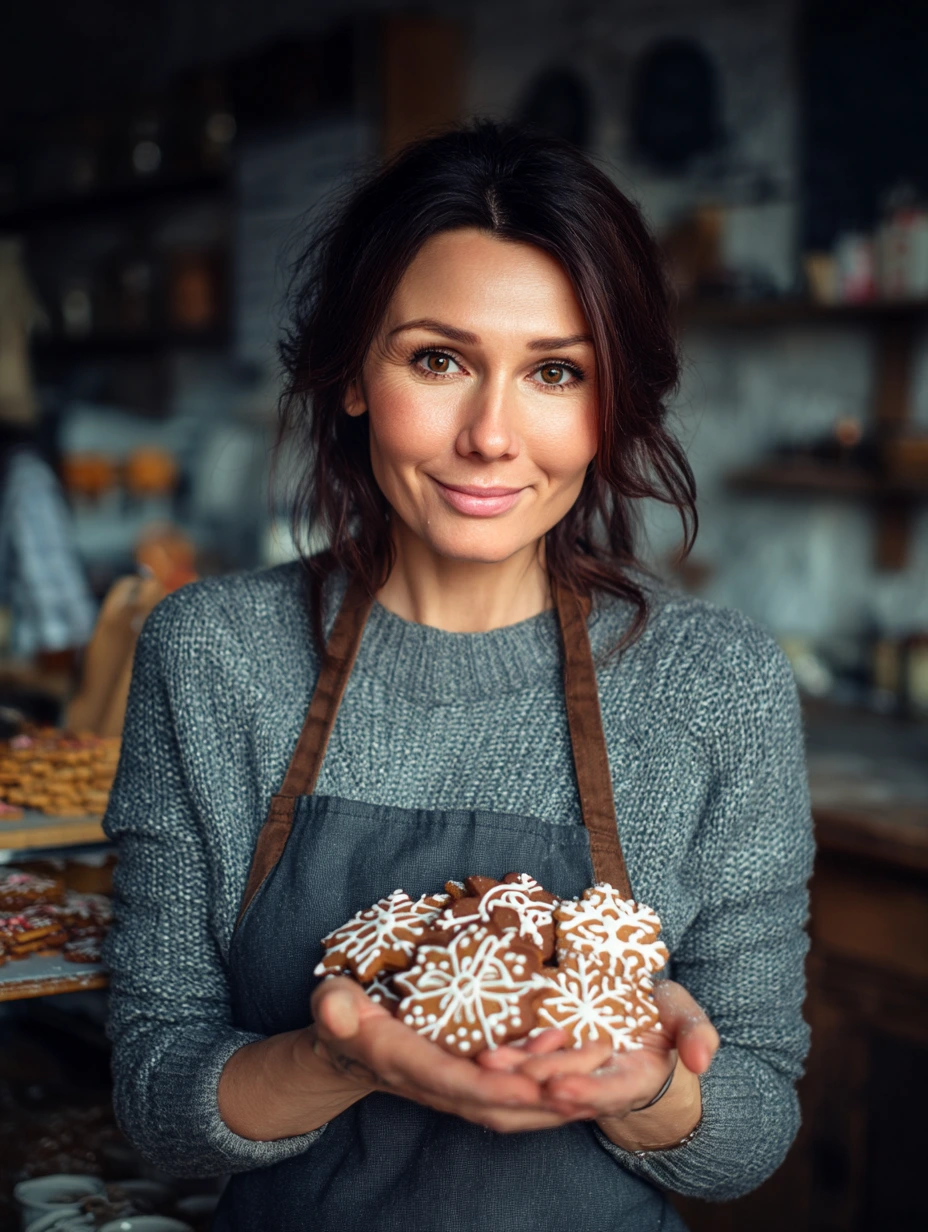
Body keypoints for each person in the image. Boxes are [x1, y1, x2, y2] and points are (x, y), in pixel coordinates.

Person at [103, 122, 813, 1232]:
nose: (489, 434)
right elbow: (156, 1095)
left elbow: (753, 1125)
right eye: (438, 358)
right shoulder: (211, 657)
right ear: (350, 376)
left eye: (554, 371)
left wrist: (650, 1088)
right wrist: (349, 1057)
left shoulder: (716, 684)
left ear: (611, 404)